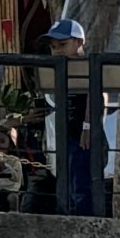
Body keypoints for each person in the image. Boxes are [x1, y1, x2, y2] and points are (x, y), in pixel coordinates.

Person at [44, 17, 98, 216]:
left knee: (81, 186)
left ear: (79, 42)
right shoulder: (59, 69)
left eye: (63, 44)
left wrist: (88, 126)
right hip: (66, 133)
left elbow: (97, 95)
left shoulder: (89, 66)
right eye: (54, 46)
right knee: (67, 183)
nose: (57, 50)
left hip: (82, 134)